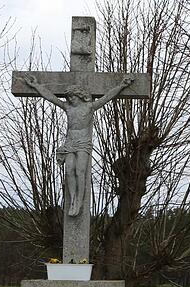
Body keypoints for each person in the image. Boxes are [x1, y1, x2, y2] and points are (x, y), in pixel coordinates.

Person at [20, 74, 134, 216]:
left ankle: (79, 201)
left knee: (80, 171)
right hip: (70, 142)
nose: (70, 99)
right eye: (69, 98)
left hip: (83, 142)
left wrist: (122, 85)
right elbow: (51, 97)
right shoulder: (68, 107)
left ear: (79, 96)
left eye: (72, 97)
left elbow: (107, 97)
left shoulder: (89, 107)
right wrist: (36, 86)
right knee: (69, 171)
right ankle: (73, 198)